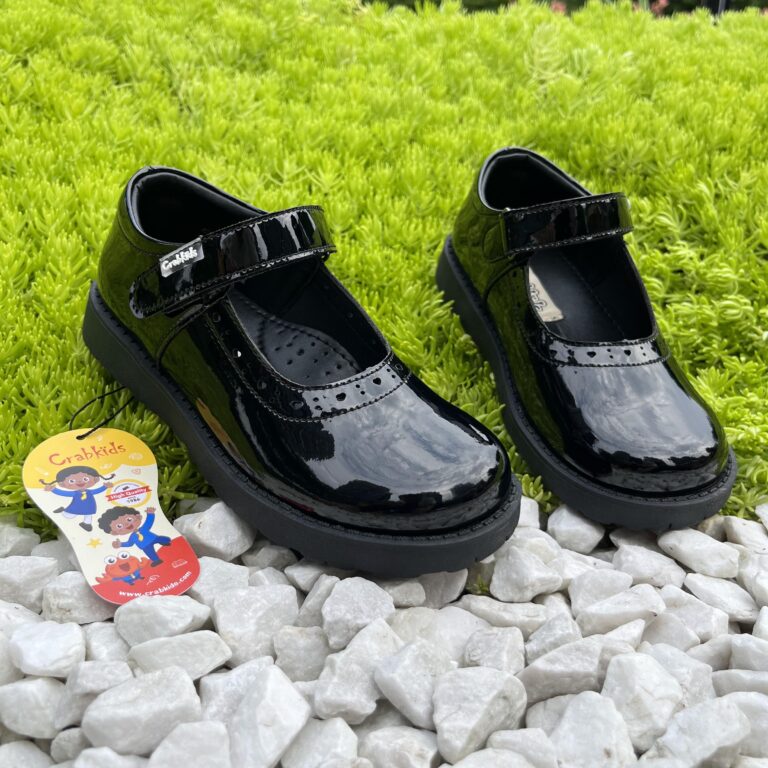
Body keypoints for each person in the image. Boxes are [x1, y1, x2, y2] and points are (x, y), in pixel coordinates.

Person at [41, 465, 114, 532]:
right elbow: (64, 493)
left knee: (88, 514)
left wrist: (105, 487)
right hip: (76, 506)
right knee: (69, 516)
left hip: (89, 505)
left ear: (96, 479)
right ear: (62, 484)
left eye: (85, 479)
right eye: (71, 481)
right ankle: (63, 511)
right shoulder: (75, 493)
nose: (80, 482)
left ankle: (86, 524)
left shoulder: (89, 492)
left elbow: (97, 490)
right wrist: (53, 490)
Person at [98, 505, 172, 565]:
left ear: (138, 517)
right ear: (115, 533)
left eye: (129, 520)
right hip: (145, 546)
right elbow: (129, 543)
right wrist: (120, 544)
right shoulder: (132, 537)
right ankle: (157, 560)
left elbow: (149, 522)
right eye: (119, 526)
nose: (126, 524)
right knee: (150, 553)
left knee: (162, 539)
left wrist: (150, 514)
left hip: (153, 538)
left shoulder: (143, 528)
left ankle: (166, 541)